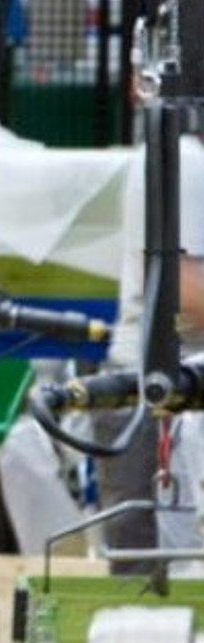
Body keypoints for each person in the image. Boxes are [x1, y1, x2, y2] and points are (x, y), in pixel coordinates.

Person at [92, 134, 204, 571]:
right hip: (157, 405)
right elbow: (186, 292)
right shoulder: (186, 160)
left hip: (182, 399)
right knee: (151, 590)